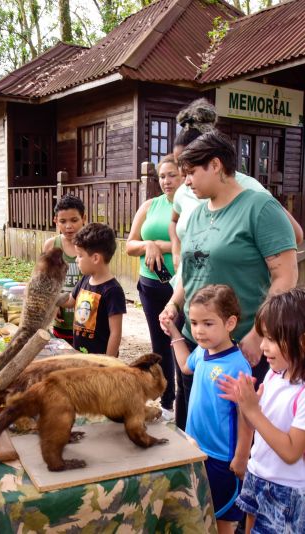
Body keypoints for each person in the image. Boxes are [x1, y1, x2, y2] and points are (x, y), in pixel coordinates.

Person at [165, 99, 304, 429]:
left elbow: (285, 277)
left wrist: (258, 333)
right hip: (198, 341)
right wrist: (173, 303)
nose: (185, 182)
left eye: (190, 173)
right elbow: (191, 268)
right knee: (194, 430)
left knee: (236, 441)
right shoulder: (197, 212)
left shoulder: (260, 207)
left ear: (215, 166)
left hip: (241, 348)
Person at [218, 288, 305, 534]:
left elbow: (291, 450)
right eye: (264, 337)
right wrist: (245, 404)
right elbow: (257, 421)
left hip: (289, 492)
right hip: (259, 476)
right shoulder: (276, 374)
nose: (263, 346)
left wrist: (253, 411)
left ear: (304, 342)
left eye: (272, 339)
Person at [161, 285, 252, 534]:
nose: (199, 330)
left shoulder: (237, 366)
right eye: (194, 323)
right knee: (199, 509)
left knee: (223, 519)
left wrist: (241, 457)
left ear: (230, 322)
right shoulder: (202, 351)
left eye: (208, 323)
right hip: (195, 448)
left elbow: (247, 416)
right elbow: (184, 365)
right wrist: (173, 331)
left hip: (222, 459)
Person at [126, 154, 184, 421]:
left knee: (183, 343)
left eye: (172, 175)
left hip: (181, 287)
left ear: (185, 175)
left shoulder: (192, 206)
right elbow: (129, 246)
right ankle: (167, 401)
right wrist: (147, 245)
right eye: (162, 176)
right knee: (159, 344)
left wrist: (157, 244)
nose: (166, 181)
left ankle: (185, 404)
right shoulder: (150, 205)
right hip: (151, 284)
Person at [61, 223, 126, 356]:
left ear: (95, 258)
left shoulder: (113, 291)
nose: (76, 260)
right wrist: (48, 298)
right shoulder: (85, 279)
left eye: (80, 255)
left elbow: (116, 333)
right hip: (80, 355)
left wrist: (108, 362)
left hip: (99, 361)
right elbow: (69, 301)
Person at [42, 194, 86, 342]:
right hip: (60, 317)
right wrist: (52, 302)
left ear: (83, 218)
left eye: (74, 220)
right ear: (55, 221)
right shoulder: (51, 245)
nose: (68, 226)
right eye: (63, 221)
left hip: (86, 316)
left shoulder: (91, 245)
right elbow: (45, 280)